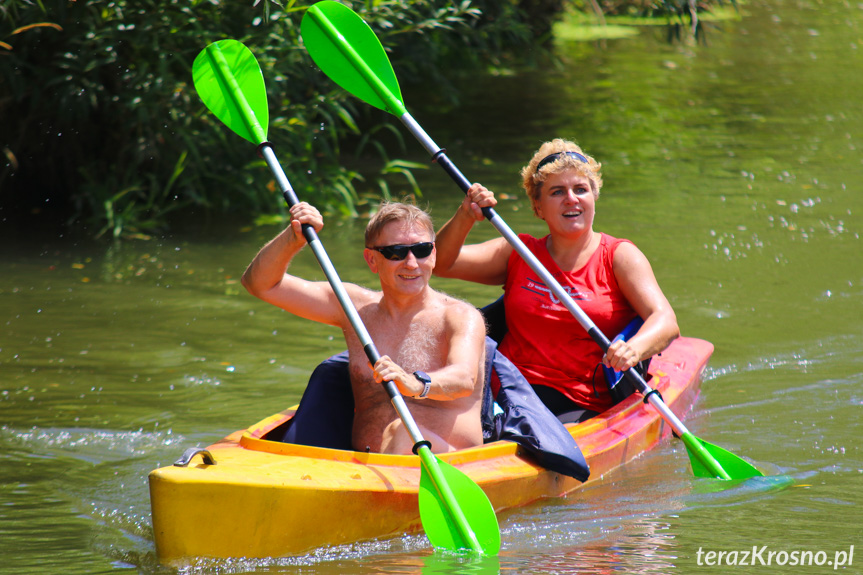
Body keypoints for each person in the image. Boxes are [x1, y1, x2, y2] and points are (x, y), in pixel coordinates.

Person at [433, 138, 680, 423]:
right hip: (504, 391)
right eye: (557, 192)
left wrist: (634, 348)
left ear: (594, 197)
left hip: (577, 402)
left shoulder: (619, 256)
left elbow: (665, 321)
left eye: (580, 189)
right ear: (538, 207)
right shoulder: (518, 251)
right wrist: (465, 215)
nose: (571, 199)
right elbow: (440, 263)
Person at [241, 201, 487, 455]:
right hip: (368, 466)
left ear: (433, 254)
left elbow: (463, 378)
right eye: (396, 252)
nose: (412, 263)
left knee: (401, 433)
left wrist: (415, 383)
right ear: (371, 259)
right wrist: (293, 239)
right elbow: (259, 284)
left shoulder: (460, 316)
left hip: (450, 462)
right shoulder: (353, 309)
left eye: (422, 250)